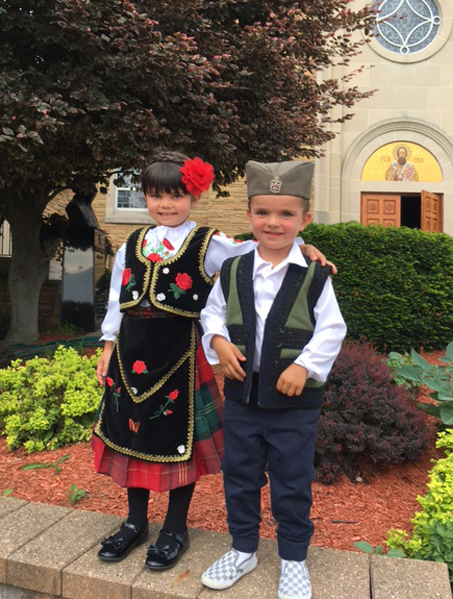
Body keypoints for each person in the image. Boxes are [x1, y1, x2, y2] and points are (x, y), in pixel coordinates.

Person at [92, 149, 334, 571]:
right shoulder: (131, 242)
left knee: (175, 440)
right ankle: (135, 522)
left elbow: (257, 251)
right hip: (131, 358)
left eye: (176, 195)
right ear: (146, 197)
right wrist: (109, 347)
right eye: (155, 195)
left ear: (194, 197)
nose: (166, 204)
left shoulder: (208, 243)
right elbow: (118, 296)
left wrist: (302, 246)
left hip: (178, 359)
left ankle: (174, 528)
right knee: (133, 437)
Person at [199, 160, 346, 599]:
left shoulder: (315, 274)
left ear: (305, 218)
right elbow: (211, 312)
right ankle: (243, 548)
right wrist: (218, 340)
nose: (273, 222)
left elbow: (332, 328)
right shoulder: (233, 268)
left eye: (286, 214)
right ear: (248, 216)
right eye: (263, 212)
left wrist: (305, 365)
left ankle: (293, 558)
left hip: (294, 406)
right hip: (243, 394)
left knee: (292, 478)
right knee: (239, 474)